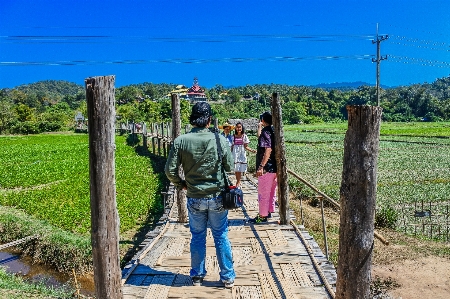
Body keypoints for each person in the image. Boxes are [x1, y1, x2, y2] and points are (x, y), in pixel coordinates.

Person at [164, 102, 236, 288]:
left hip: (194, 196)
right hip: (218, 196)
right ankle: (227, 277)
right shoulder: (219, 138)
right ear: (209, 119)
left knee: (197, 236)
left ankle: (197, 275)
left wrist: (181, 184)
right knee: (221, 235)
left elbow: (170, 171)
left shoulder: (180, 141)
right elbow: (229, 166)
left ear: (193, 119)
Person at [249, 111, 277, 223]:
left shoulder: (266, 132)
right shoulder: (273, 131)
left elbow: (268, 149)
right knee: (271, 191)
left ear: (262, 120)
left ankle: (262, 215)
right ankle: (269, 211)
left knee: (263, 192)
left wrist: (261, 166)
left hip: (267, 168)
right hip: (274, 168)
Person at [231, 122, 256, 188]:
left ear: (242, 128)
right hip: (235, 154)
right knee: (236, 169)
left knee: (240, 168)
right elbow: (231, 147)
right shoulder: (233, 136)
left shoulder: (244, 136)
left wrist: (251, 150)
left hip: (241, 154)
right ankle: (238, 181)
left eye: (240, 127)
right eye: (237, 127)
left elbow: (245, 146)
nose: (238, 128)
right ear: (235, 128)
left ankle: (238, 182)